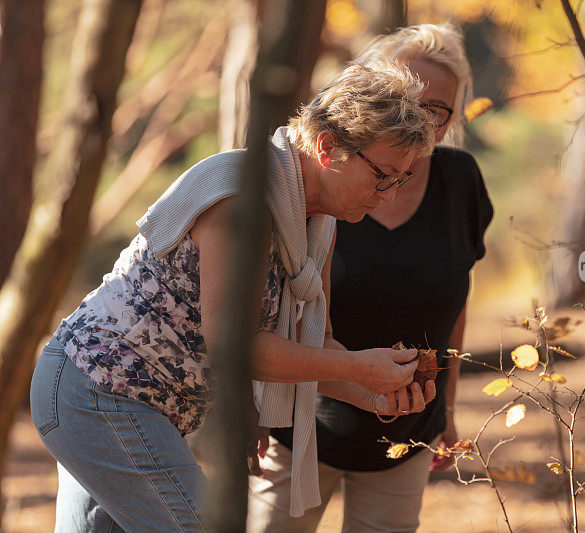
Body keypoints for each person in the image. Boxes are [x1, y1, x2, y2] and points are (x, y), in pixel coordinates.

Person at [29, 59, 439, 532]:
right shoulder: (241, 198)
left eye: (401, 179)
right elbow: (233, 346)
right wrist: (359, 368)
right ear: (328, 147)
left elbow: (316, 349)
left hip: (145, 406)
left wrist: (373, 395)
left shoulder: (317, 222)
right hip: (96, 388)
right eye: (382, 174)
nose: (388, 194)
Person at [248, 23, 493, 532]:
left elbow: (457, 294)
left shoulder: (461, 181)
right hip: (296, 425)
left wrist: (445, 406)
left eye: (437, 109)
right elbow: (260, 313)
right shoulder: (324, 185)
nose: (418, 117)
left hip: (405, 432)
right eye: (405, 96)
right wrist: (253, 407)